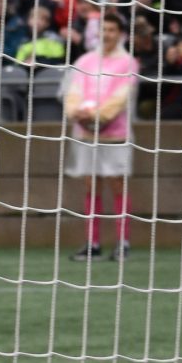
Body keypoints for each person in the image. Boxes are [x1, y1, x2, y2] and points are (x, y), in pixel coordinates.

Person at [62, 13, 139, 261]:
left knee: (118, 184)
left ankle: (122, 242)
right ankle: (92, 243)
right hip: (86, 133)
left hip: (115, 133)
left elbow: (121, 97)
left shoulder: (127, 63)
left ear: (120, 34)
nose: (107, 34)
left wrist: (98, 116)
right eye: (103, 29)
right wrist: (76, 112)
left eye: (112, 30)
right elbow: (73, 91)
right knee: (90, 184)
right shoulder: (85, 61)